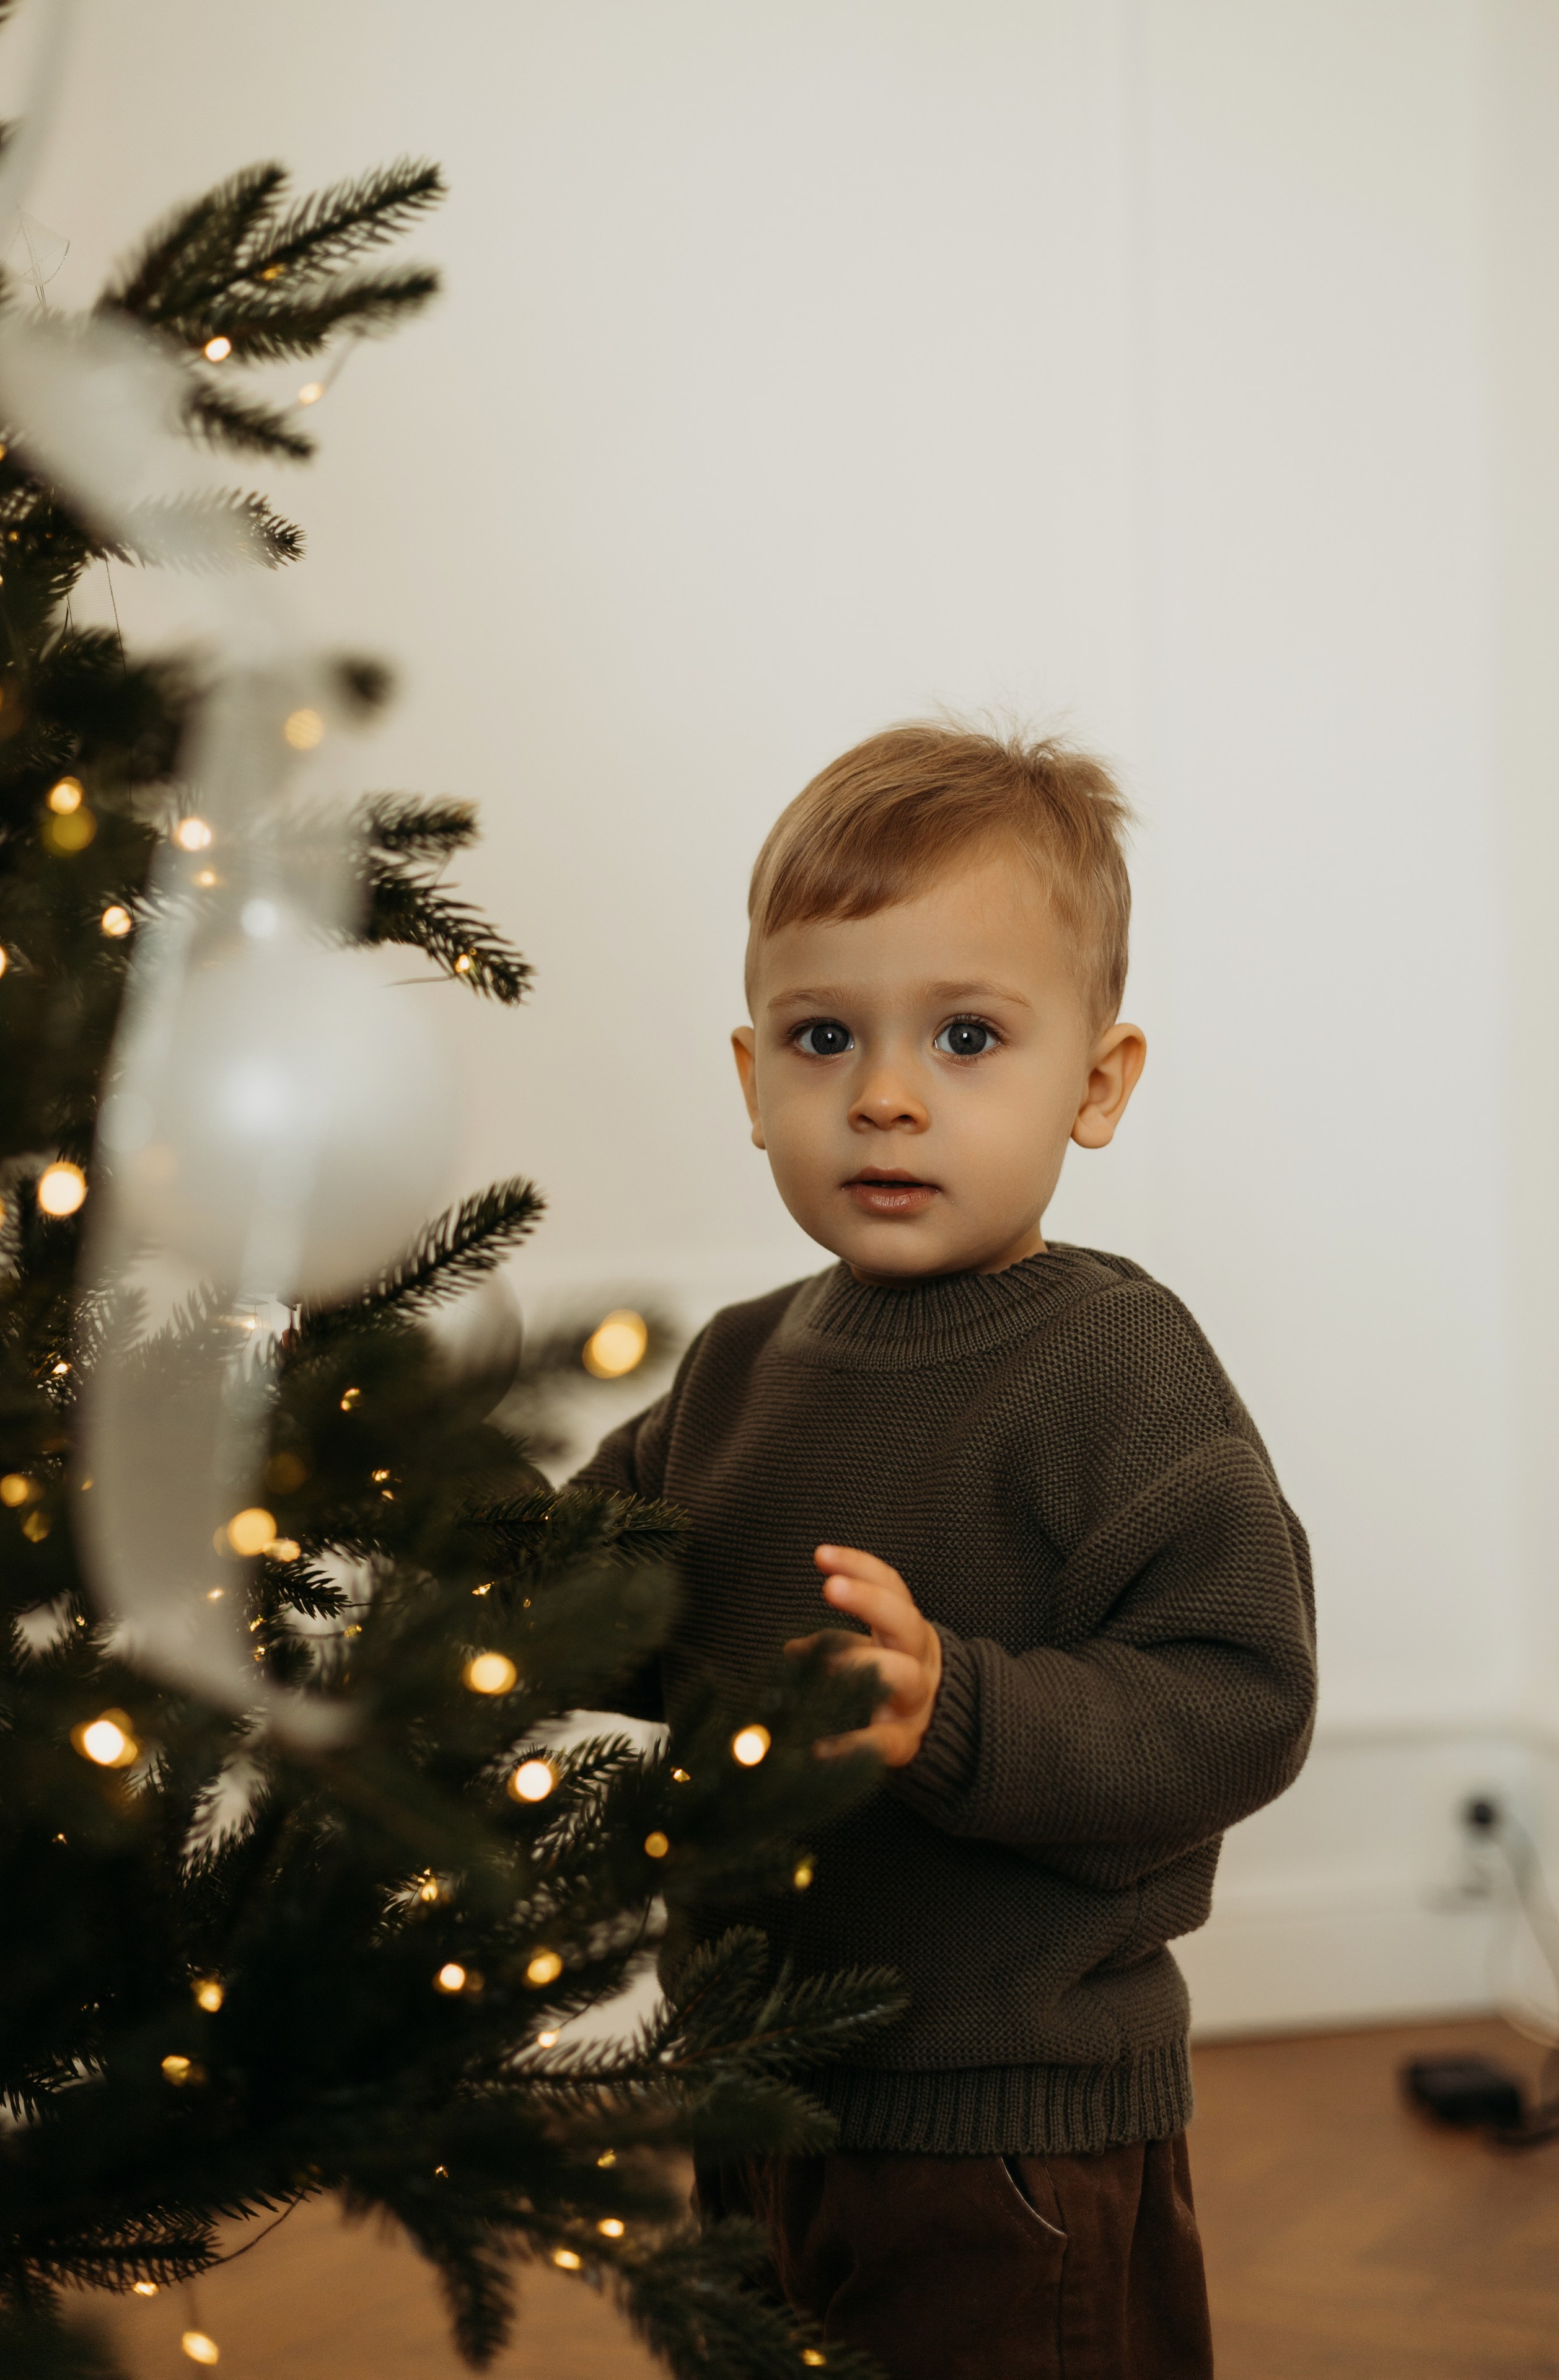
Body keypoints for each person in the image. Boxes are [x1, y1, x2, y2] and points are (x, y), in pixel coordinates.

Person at [572, 721, 1317, 2379]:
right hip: (747, 2092)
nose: (887, 1095)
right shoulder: (738, 1370)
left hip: (1010, 2138)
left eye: (968, 1036)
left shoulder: (1115, 1364)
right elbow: (593, 1594)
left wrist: (956, 1713)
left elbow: (1240, 1692)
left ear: (1098, 1084)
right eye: (824, 1035)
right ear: (755, 1078)